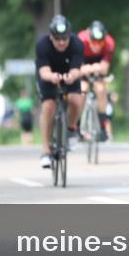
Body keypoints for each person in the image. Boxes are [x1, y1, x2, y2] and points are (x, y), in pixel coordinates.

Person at [36, 15, 85, 168]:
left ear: (69, 36)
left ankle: (71, 129)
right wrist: (52, 77)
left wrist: (71, 76)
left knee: (75, 100)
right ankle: (46, 149)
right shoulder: (42, 44)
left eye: (64, 38)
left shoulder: (77, 44)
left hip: (69, 74)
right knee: (48, 106)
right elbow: (43, 71)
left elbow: (77, 69)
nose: (62, 42)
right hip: (49, 76)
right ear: (51, 37)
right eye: (57, 39)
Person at [77, 20, 115, 141]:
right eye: (94, 42)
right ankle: (77, 124)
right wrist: (84, 69)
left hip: (98, 63)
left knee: (101, 89)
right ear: (89, 38)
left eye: (100, 42)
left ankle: (102, 125)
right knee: (82, 90)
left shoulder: (109, 43)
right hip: (83, 60)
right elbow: (76, 67)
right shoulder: (80, 40)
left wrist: (94, 68)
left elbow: (105, 68)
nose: (97, 45)